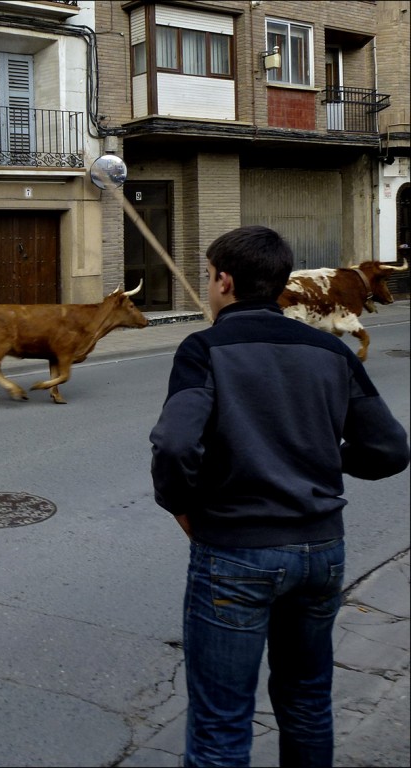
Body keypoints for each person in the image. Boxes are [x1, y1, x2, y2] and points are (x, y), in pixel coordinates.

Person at [149, 225, 410, 767]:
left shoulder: (203, 349)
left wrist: (181, 505)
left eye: (208, 276)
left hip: (236, 552)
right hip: (321, 553)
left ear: (224, 280)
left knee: (222, 721)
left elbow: (175, 445)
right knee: (308, 702)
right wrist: (319, 455)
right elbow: (388, 449)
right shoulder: (328, 349)